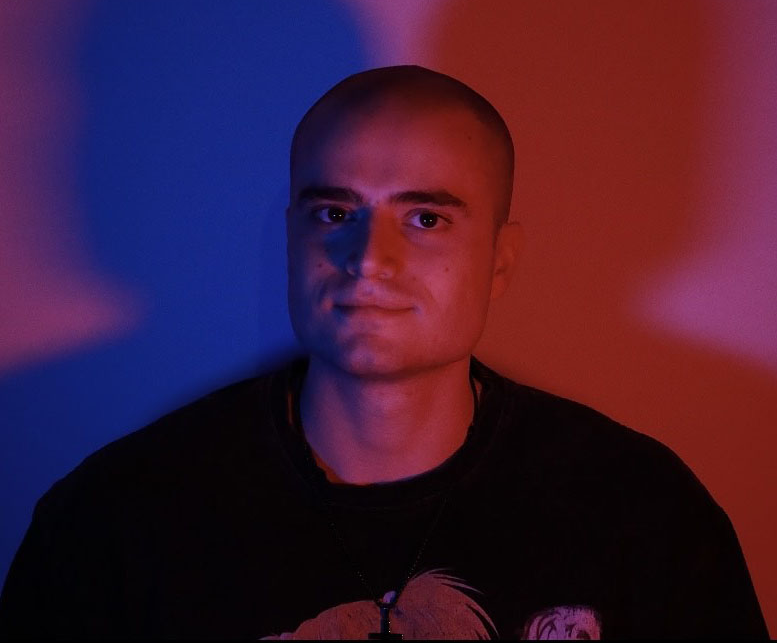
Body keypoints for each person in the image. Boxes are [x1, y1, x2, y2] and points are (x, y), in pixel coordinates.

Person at [0, 65, 767, 640]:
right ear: (293, 238)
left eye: (426, 219)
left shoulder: (640, 510)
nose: (368, 258)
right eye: (335, 212)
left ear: (499, 261)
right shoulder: (115, 520)